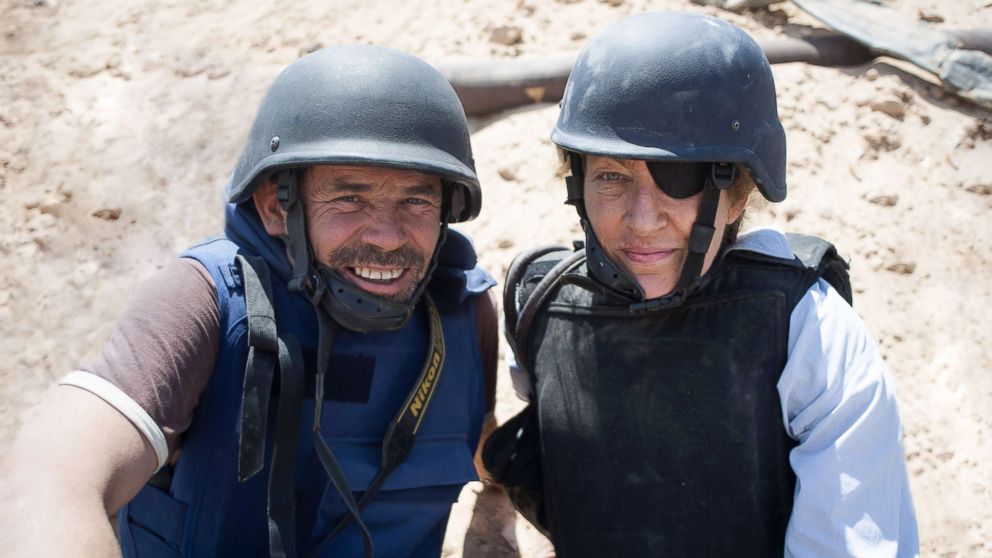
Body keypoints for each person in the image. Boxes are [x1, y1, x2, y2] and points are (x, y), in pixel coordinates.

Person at [0, 45, 498, 558]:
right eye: (350, 198)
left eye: (416, 200)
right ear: (275, 207)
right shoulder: (206, 300)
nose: (388, 237)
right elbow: (48, 477)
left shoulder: (460, 314)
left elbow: (487, 456)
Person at [486, 12, 919, 558]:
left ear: (738, 195)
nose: (643, 220)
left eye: (681, 179)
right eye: (612, 177)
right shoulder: (541, 305)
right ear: (578, 185)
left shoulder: (809, 331)